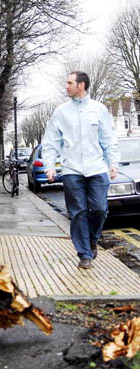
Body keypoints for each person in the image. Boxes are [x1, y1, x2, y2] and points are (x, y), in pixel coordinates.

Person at [41, 71, 120, 269]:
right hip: (72, 169)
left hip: (97, 168)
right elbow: (51, 141)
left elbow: (108, 139)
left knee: (100, 209)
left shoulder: (99, 109)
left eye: (69, 83)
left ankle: (92, 240)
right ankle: (84, 253)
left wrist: (113, 163)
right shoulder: (61, 112)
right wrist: (50, 166)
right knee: (78, 213)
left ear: (81, 85)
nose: (66, 86)